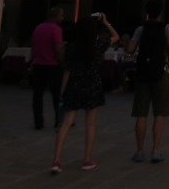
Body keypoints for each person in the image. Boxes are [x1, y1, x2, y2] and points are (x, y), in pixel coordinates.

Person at [50, 13, 119, 173]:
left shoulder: (73, 47)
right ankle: (87, 159)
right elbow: (116, 36)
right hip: (92, 85)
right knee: (91, 124)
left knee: (66, 123)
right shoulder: (98, 44)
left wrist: (62, 90)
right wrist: (106, 22)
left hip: (75, 84)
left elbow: (68, 70)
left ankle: (56, 160)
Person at [127, 0, 169, 163]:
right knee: (159, 113)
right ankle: (156, 150)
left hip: (143, 73)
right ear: (161, 11)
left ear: (147, 11)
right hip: (160, 72)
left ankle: (139, 150)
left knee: (141, 113)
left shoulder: (141, 29)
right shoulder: (167, 28)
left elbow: (130, 48)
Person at [30, 6, 65, 130]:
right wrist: (61, 61)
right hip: (52, 65)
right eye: (61, 15)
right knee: (57, 94)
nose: (63, 18)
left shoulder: (38, 28)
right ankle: (59, 120)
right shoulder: (56, 29)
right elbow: (58, 48)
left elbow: (33, 46)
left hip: (38, 64)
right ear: (56, 16)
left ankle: (38, 122)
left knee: (37, 95)